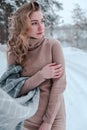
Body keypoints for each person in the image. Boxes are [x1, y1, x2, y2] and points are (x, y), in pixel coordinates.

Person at [7, 1, 66, 130]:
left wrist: (48, 122)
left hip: (53, 118)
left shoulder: (52, 45)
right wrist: (41, 75)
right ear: (22, 25)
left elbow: (59, 85)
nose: (41, 27)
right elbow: (14, 89)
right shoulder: (14, 52)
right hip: (25, 118)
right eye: (34, 23)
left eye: (42, 21)